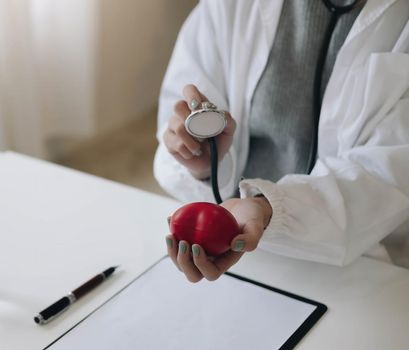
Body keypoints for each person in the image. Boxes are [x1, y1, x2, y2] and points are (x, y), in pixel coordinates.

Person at [154, 0, 409, 283]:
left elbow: (389, 173)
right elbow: (176, 115)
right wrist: (205, 164)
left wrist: (270, 208)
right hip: (240, 246)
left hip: (362, 264)